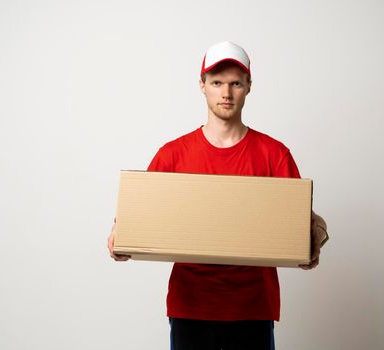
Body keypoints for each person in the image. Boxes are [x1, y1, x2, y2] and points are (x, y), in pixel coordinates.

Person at [107, 41, 329, 350]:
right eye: (217, 83)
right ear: (202, 85)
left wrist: (313, 238)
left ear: (248, 87)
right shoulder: (173, 154)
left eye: (236, 83)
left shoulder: (273, 154)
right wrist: (120, 235)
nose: (226, 93)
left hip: (252, 307)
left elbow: (302, 217)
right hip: (191, 306)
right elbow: (140, 214)